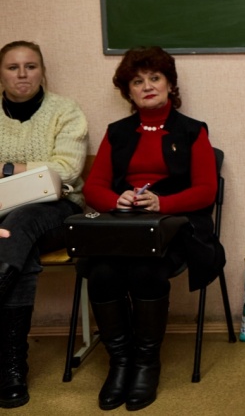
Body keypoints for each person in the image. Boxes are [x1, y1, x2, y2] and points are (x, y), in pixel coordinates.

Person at [80, 46, 223, 411]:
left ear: (170, 84)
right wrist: (117, 200)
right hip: (125, 226)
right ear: (128, 92)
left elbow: (206, 191)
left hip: (176, 227)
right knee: (101, 271)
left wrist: (163, 203)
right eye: (137, 81)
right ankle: (120, 363)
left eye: (154, 78)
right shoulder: (117, 133)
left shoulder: (192, 131)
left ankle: (146, 364)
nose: (147, 86)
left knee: (146, 269)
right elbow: (93, 188)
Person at [0, 40, 88, 409]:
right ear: (1, 74)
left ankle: (10, 366)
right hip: (5, 218)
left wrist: (6, 169)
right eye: (13, 67)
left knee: (20, 222)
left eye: (31, 66)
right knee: (17, 242)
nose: (22, 74)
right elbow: (51, 167)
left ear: (43, 72)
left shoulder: (65, 111)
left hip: (58, 210)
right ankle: (11, 368)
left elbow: (66, 171)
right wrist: (35, 169)